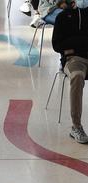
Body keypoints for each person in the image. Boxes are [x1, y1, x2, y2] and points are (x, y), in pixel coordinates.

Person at [52, 0, 88, 144]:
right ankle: (76, 126)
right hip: (73, 59)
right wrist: (79, 45)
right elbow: (57, 44)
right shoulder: (62, 17)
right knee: (77, 76)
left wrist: (74, 42)